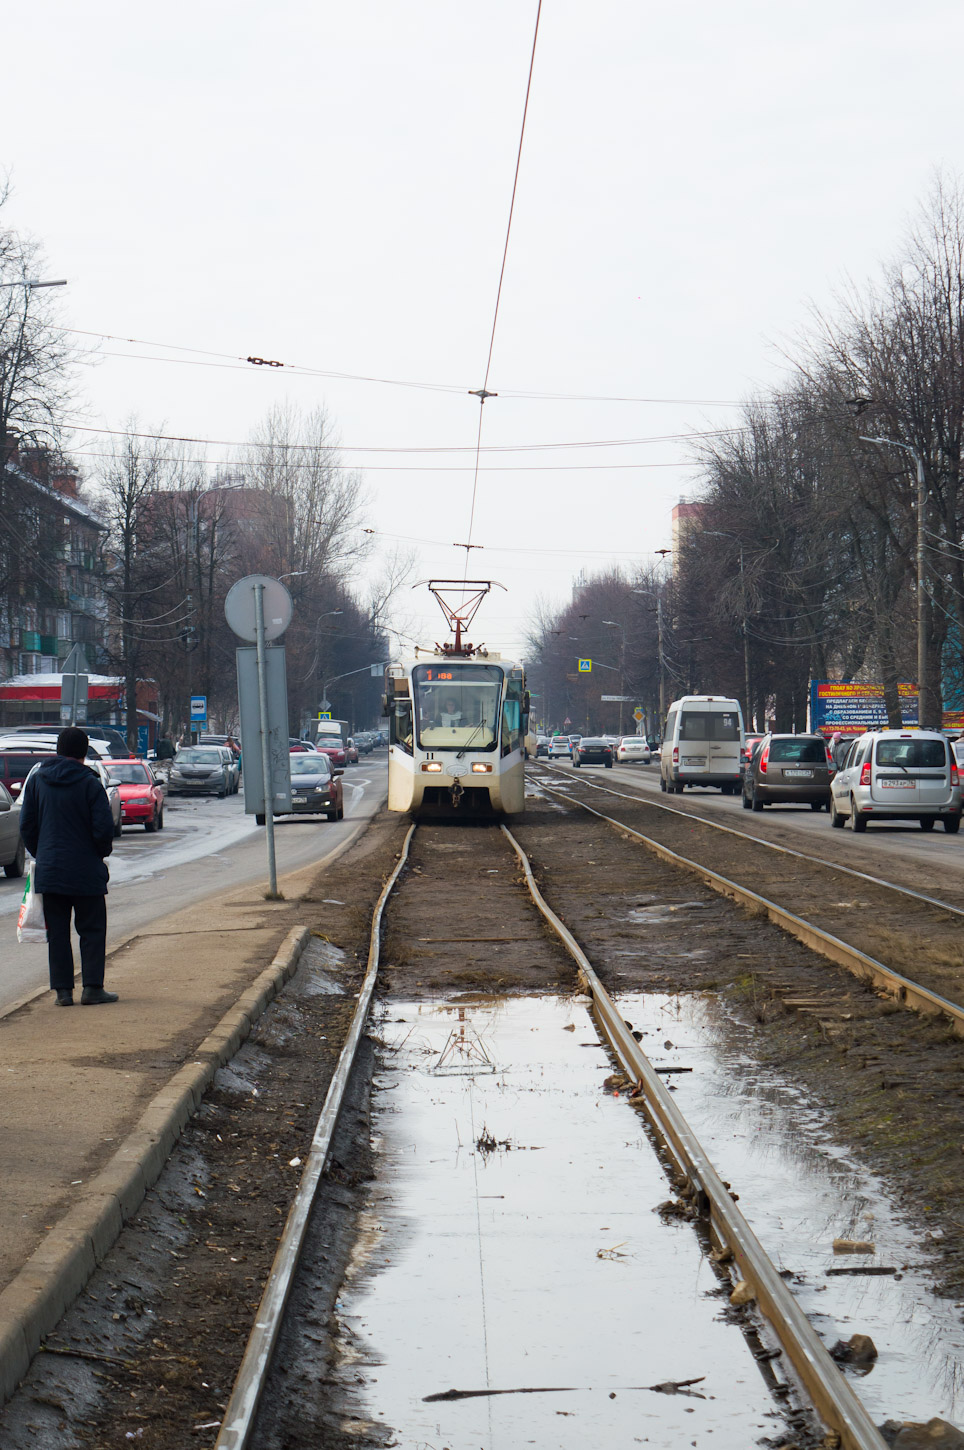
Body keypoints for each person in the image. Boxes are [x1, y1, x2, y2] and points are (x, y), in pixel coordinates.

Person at [18, 726, 118, 1007]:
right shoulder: (90, 783)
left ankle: (63, 992)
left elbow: (27, 825)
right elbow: (102, 829)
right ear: (85, 753)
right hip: (85, 871)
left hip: (50, 870)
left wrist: (43, 854)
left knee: (58, 932)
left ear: (58, 751)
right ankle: (92, 988)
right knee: (92, 930)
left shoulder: (38, 781)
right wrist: (99, 855)